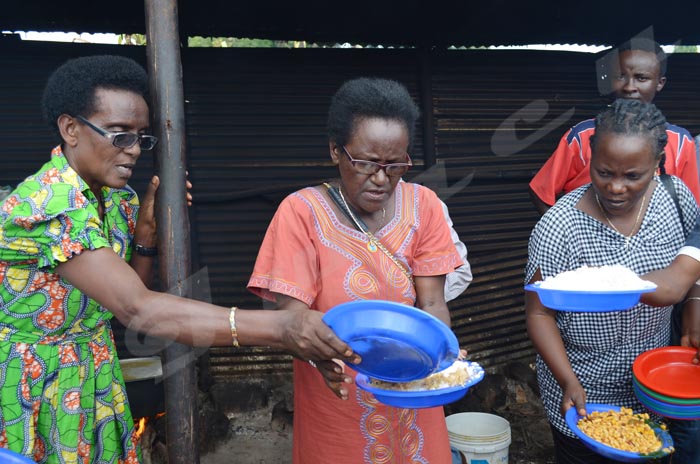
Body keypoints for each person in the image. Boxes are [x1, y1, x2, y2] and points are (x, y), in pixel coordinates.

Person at [0, 55, 359, 464]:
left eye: (141, 137)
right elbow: (136, 308)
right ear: (70, 128)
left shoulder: (117, 200)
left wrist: (146, 236)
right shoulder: (45, 206)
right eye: (119, 135)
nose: (134, 151)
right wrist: (282, 326)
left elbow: (119, 300)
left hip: (93, 375)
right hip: (30, 385)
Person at [247, 77, 464, 464]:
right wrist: (318, 356)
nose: (381, 178)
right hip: (336, 400)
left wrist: (442, 354)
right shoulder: (301, 213)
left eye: (395, 164)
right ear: (335, 151)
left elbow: (432, 303)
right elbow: (292, 319)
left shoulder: (424, 205)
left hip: (414, 394)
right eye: (365, 163)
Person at [524, 99, 699, 463]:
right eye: (604, 172)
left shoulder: (675, 198)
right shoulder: (559, 227)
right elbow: (539, 315)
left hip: (652, 387)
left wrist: (694, 304)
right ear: (589, 157)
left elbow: (693, 260)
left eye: (633, 176)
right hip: (583, 388)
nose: (616, 187)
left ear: (657, 165)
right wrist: (568, 381)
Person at [529, 37, 700, 215]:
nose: (629, 87)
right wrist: (565, 234)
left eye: (641, 78)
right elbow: (541, 192)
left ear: (660, 83)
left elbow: (690, 208)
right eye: (620, 76)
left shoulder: (681, 143)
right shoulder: (582, 136)